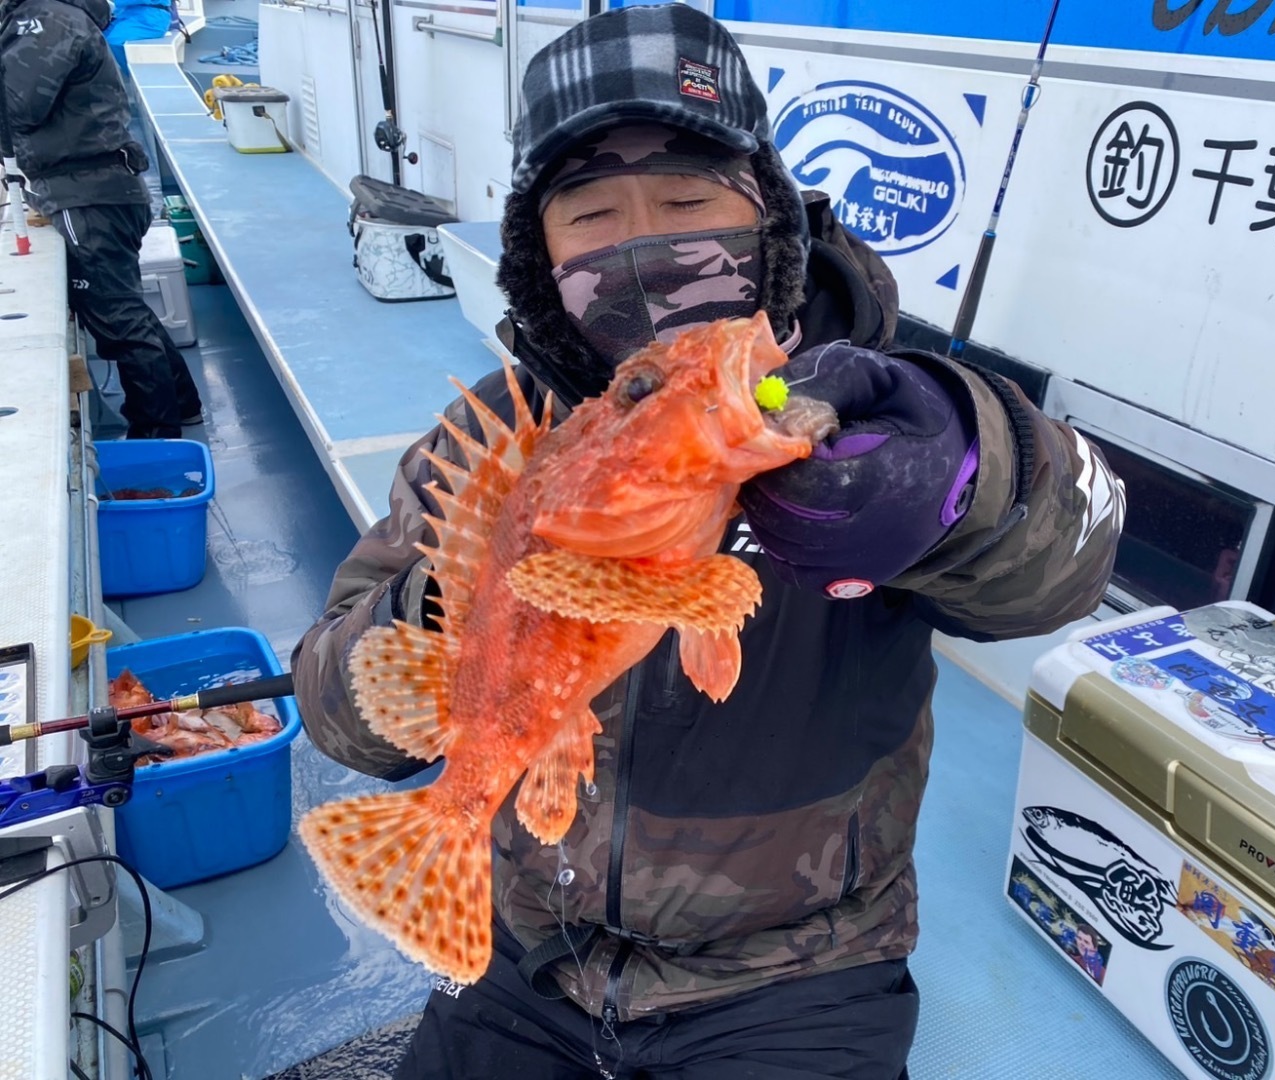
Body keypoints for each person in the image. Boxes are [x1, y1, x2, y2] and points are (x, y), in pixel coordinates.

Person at [292, 5, 1124, 1077]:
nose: (643, 244)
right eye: (590, 214)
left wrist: (970, 478)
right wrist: (457, 601)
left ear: (769, 217)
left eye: (688, 199)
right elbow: (336, 707)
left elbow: (1063, 573)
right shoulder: (486, 446)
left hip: (800, 975)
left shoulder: (875, 416)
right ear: (540, 256)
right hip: (530, 953)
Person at [0, 0, 202, 439]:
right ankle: (183, 405)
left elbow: (20, 107)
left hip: (87, 195)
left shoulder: (45, 19)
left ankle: (156, 434)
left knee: (118, 319)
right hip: (99, 190)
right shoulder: (50, 17)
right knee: (122, 308)